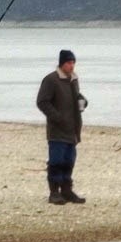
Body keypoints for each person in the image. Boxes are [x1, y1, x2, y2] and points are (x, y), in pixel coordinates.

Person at [36, 49, 86, 204]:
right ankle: (54, 192)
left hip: (73, 129)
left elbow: (75, 98)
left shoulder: (73, 80)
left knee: (69, 161)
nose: (72, 66)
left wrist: (83, 101)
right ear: (62, 63)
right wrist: (57, 118)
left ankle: (67, 190)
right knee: (56, 161)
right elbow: (42, 102)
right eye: (69, 63)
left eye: (73, 63)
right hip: (58, 130)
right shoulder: (51, 80)